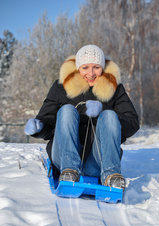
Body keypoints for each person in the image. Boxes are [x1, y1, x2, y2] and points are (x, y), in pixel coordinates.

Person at [25, 45, 139, 190]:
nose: (91, 73)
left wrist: (102, 110)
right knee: (66, 110)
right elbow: (49, 122)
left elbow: (132, 123)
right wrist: (39, 127)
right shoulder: (61, 87)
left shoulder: (115, 89)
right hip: (63, 158)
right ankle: (69, 171)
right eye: (85, 67)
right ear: (78, 68)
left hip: (98, 162)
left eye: (96, 67)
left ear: (102, 68)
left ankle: (111, 175)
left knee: (110, 115)